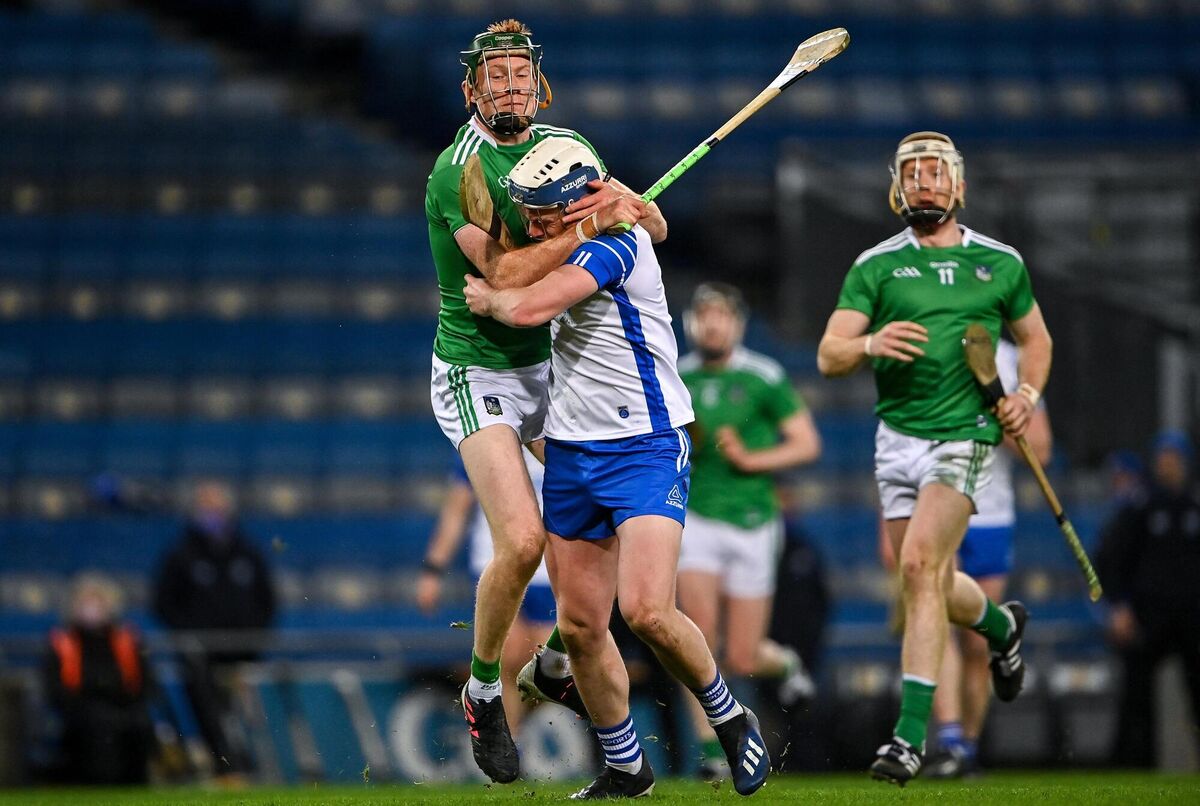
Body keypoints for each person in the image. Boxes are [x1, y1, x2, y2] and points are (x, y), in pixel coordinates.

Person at [464, 136, 769, 799]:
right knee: (579, 627)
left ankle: (730, 718)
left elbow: (529, 305)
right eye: (529, 214)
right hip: (573, 453)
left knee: (648, 610)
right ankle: (626, 766)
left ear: (579, 202)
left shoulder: (616, 245)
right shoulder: (581, 233)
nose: (534, 227)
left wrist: (489, 300)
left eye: (544, 213)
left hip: (647, 446)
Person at [425, 17, 664, 783]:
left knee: (608, 529)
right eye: (494, 76)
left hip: (553, 369)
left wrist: (631, 214)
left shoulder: (570, 148)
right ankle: (483, 690)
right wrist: (591, 227)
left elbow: (648, 227)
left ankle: (559, 657)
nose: (510, 87)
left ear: (539, 82)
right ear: (471, 89)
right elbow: (501, 276)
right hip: (478, 372)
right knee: (524, 542)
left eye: (519, 73)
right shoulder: (454, 171)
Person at [816, 131, 1053, 785]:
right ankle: (1002, 628)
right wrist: (869, 343)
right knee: (927, 583)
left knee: (921, 566)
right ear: (897, 188)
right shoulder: (876, 266)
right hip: (896, 440)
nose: (925, 181)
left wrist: (1027, 396)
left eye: (936, 171)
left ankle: (910, 738)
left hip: (965, 436)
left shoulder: (1000, 263)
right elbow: (829, 354)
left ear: (959, 185)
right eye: (913, 173)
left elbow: (1036, 340)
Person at [675, 281, 822, 779]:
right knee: (698, 639)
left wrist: (751, 458)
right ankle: (712, 753)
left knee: (743, 655)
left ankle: (787, 665)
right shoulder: (677, 375)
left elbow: (806, 444)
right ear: (692, 323)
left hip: (754, 521)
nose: (712, 325)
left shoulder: (763, 376)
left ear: (738, 324)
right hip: (695, 517)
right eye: (704, 315)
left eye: (722, 315)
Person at [916, 338, 1053, 778]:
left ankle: (968, 748)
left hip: (990, 513)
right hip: (935, 507)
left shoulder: (1013, 362)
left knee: (977, 643)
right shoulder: (927, 347)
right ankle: (950, 739)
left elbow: (1041, 449)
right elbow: (900, 439)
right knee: (937, 617)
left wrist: (999, 409)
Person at [416, 447, 558, 735]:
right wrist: (433, 569)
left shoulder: (560, 433)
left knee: (550, 671)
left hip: (550, 569)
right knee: (507, 658)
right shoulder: (486, 437)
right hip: (495, 562)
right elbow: (457, 509)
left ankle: (519, 726)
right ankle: (509, 742)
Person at [153, 480, 276, 777]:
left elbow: (267, 599)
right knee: (209, 714)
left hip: (244, 654)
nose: (212, 513)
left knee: (246, 715)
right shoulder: (181, 555)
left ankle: (254, 766)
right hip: (200, 656)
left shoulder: (248, 552)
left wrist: (253, 636)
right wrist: (190, 635)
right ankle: (223, 767)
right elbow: (164, 602)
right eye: (205, 507)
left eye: (217, 506)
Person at [1096, 430, 1200, 768]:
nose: (1168, 466)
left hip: (1192, 616)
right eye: (1163, 459)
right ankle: (1132, 764)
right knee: (1136, 694)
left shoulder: (1194, 505)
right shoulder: (1140, 507)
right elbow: (1111, 558)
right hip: (1146, 615)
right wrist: (1118, 606)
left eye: (1175, 459)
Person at [44, 573, 156, 785]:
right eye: (85, 602)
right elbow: (56, 688)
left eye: (98, 601)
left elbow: (144, 681)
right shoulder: (62, 642)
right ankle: (99, 781)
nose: (92, 608)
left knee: (139, 722)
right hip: (82, 708)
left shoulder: (127, 639)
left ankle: (137, 780)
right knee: (99, 723)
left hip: (123, 705)